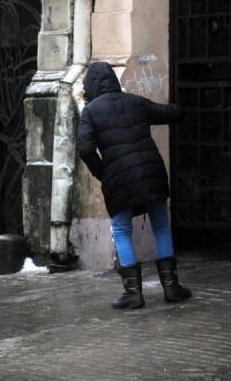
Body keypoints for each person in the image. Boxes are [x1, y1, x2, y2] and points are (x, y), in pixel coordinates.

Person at [77, 61, 192, 309]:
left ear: (91, 85)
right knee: (161, 225)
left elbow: (85, 148)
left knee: (121, 230)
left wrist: (102, 173)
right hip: (152, 172)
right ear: (113, 81)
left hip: (119, 179)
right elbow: (171, 112)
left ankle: (132, 293)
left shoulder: (90, 112)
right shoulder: (135, 102)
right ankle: (171, 287)